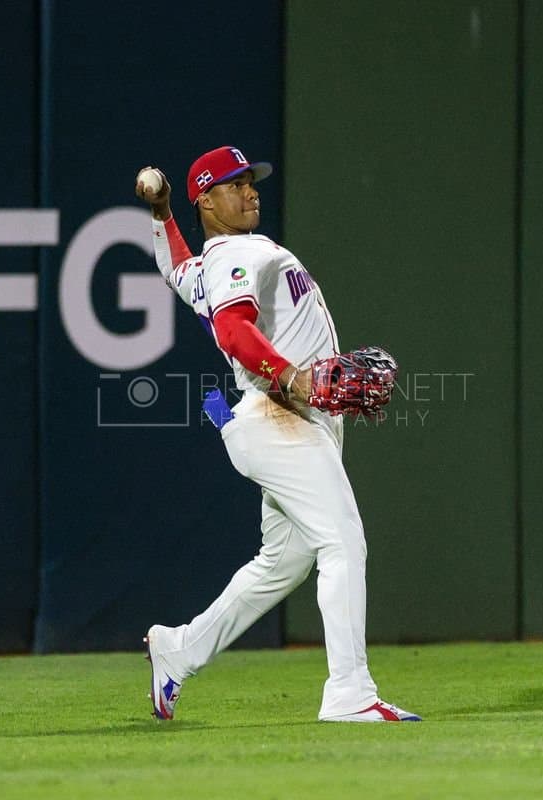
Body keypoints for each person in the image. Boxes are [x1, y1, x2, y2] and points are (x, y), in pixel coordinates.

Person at [134, 146, 419, 723]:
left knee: (282, 562)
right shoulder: (231, 256)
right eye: (235, 185)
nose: (251, 191)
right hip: (277, 415)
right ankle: (349, 692)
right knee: (342, 541)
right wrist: (293, 376)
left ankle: (178, 648)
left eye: (251, 182)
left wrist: (163, 215)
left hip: (290, 418)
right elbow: (233, 331)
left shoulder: (217, 260)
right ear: (207, 200)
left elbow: (173, 269)